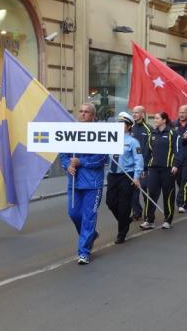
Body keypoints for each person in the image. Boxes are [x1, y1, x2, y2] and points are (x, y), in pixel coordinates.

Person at [59, 103, 107, 264]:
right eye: (81, 111)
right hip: (74, 183)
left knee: (88, 218)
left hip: (93, 184)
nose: (82, 114)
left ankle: (84, 252)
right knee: (73, 213)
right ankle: (90, 235)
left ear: (93, 116)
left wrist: (81, 162)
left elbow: (102, 158)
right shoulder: (72, 131)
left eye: (86, 112)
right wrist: (67, 165)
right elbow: (64, 155)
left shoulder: (100, 133)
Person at [106, 112, 142, 244]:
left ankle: (122, 233)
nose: (119, 125)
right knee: (110, 202)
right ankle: (125, 220)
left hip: (126, 175)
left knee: (124, 205)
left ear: (128, 126)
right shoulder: (111, 138)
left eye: (122, 124)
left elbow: (139, 160)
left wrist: (137, 177)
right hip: (112, 174)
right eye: (119, 123)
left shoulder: (133, 142)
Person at [140, 112, 177, 230]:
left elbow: (178, 150)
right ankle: (149, 220)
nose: (155, 120)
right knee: (151, 194)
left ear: (164, 120)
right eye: (154, 118)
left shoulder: (172, 133)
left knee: (168, 194)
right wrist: (145, 168)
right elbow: (147, 152)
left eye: (157, 118)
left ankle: (168, 220)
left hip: (168, 169)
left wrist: (176, 165)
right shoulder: (152, 134)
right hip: (154, 169)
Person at [130, 106, 152, 220]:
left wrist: (146, 166)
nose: (134, 115)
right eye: (133, 113)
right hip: (131, 166)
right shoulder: (130, 128)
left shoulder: (148, 129)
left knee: (144, 190)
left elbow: (150, 149)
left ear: (142, 114)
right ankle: (137, 211)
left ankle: (148, 214)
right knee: (133, 191)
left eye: (136, 113)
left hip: (144, 166)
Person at [172, 105, 187, 212]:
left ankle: (181, 203)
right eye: (180, 112)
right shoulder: (173, 124)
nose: (181, 114)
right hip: (177, 157)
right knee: (179, 181)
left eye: (184, 112)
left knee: (185, 180)